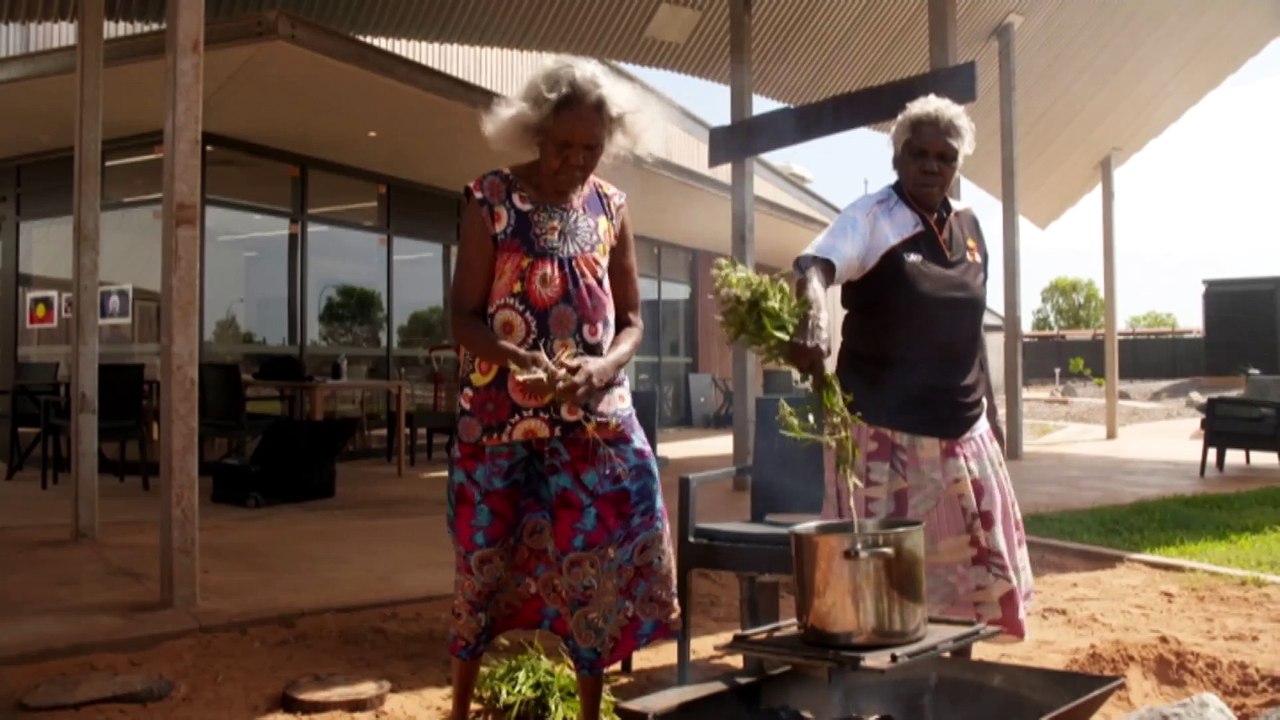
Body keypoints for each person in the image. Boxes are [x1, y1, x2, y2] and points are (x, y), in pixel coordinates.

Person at [447, 57, 680, 720]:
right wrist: (515, 358)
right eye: (563, 146)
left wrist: (601, 370)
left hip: (593, 416)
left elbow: (632, 321)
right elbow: (462, 317)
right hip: (498, 418)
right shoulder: (490, 199)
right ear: (536, 132)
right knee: (482, 565)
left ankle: (589, 710)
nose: (576, 161)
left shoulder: (612, 207)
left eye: (590, 148)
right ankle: (459, 708)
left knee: (597, 559)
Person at [789, 94, 1034, 641]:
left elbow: (971, 329)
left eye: (944, 157)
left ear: (957, 164)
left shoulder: (970, 227)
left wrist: (992, 415)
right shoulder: (872, 217)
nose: (930, 165)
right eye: (918, 153)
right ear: (897, 157)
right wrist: (814, 314)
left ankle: (954, 675)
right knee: (880, 588)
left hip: (962, 433)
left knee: (969, 579)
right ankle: (881, 679)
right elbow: (815, 265)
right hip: (884, 436)